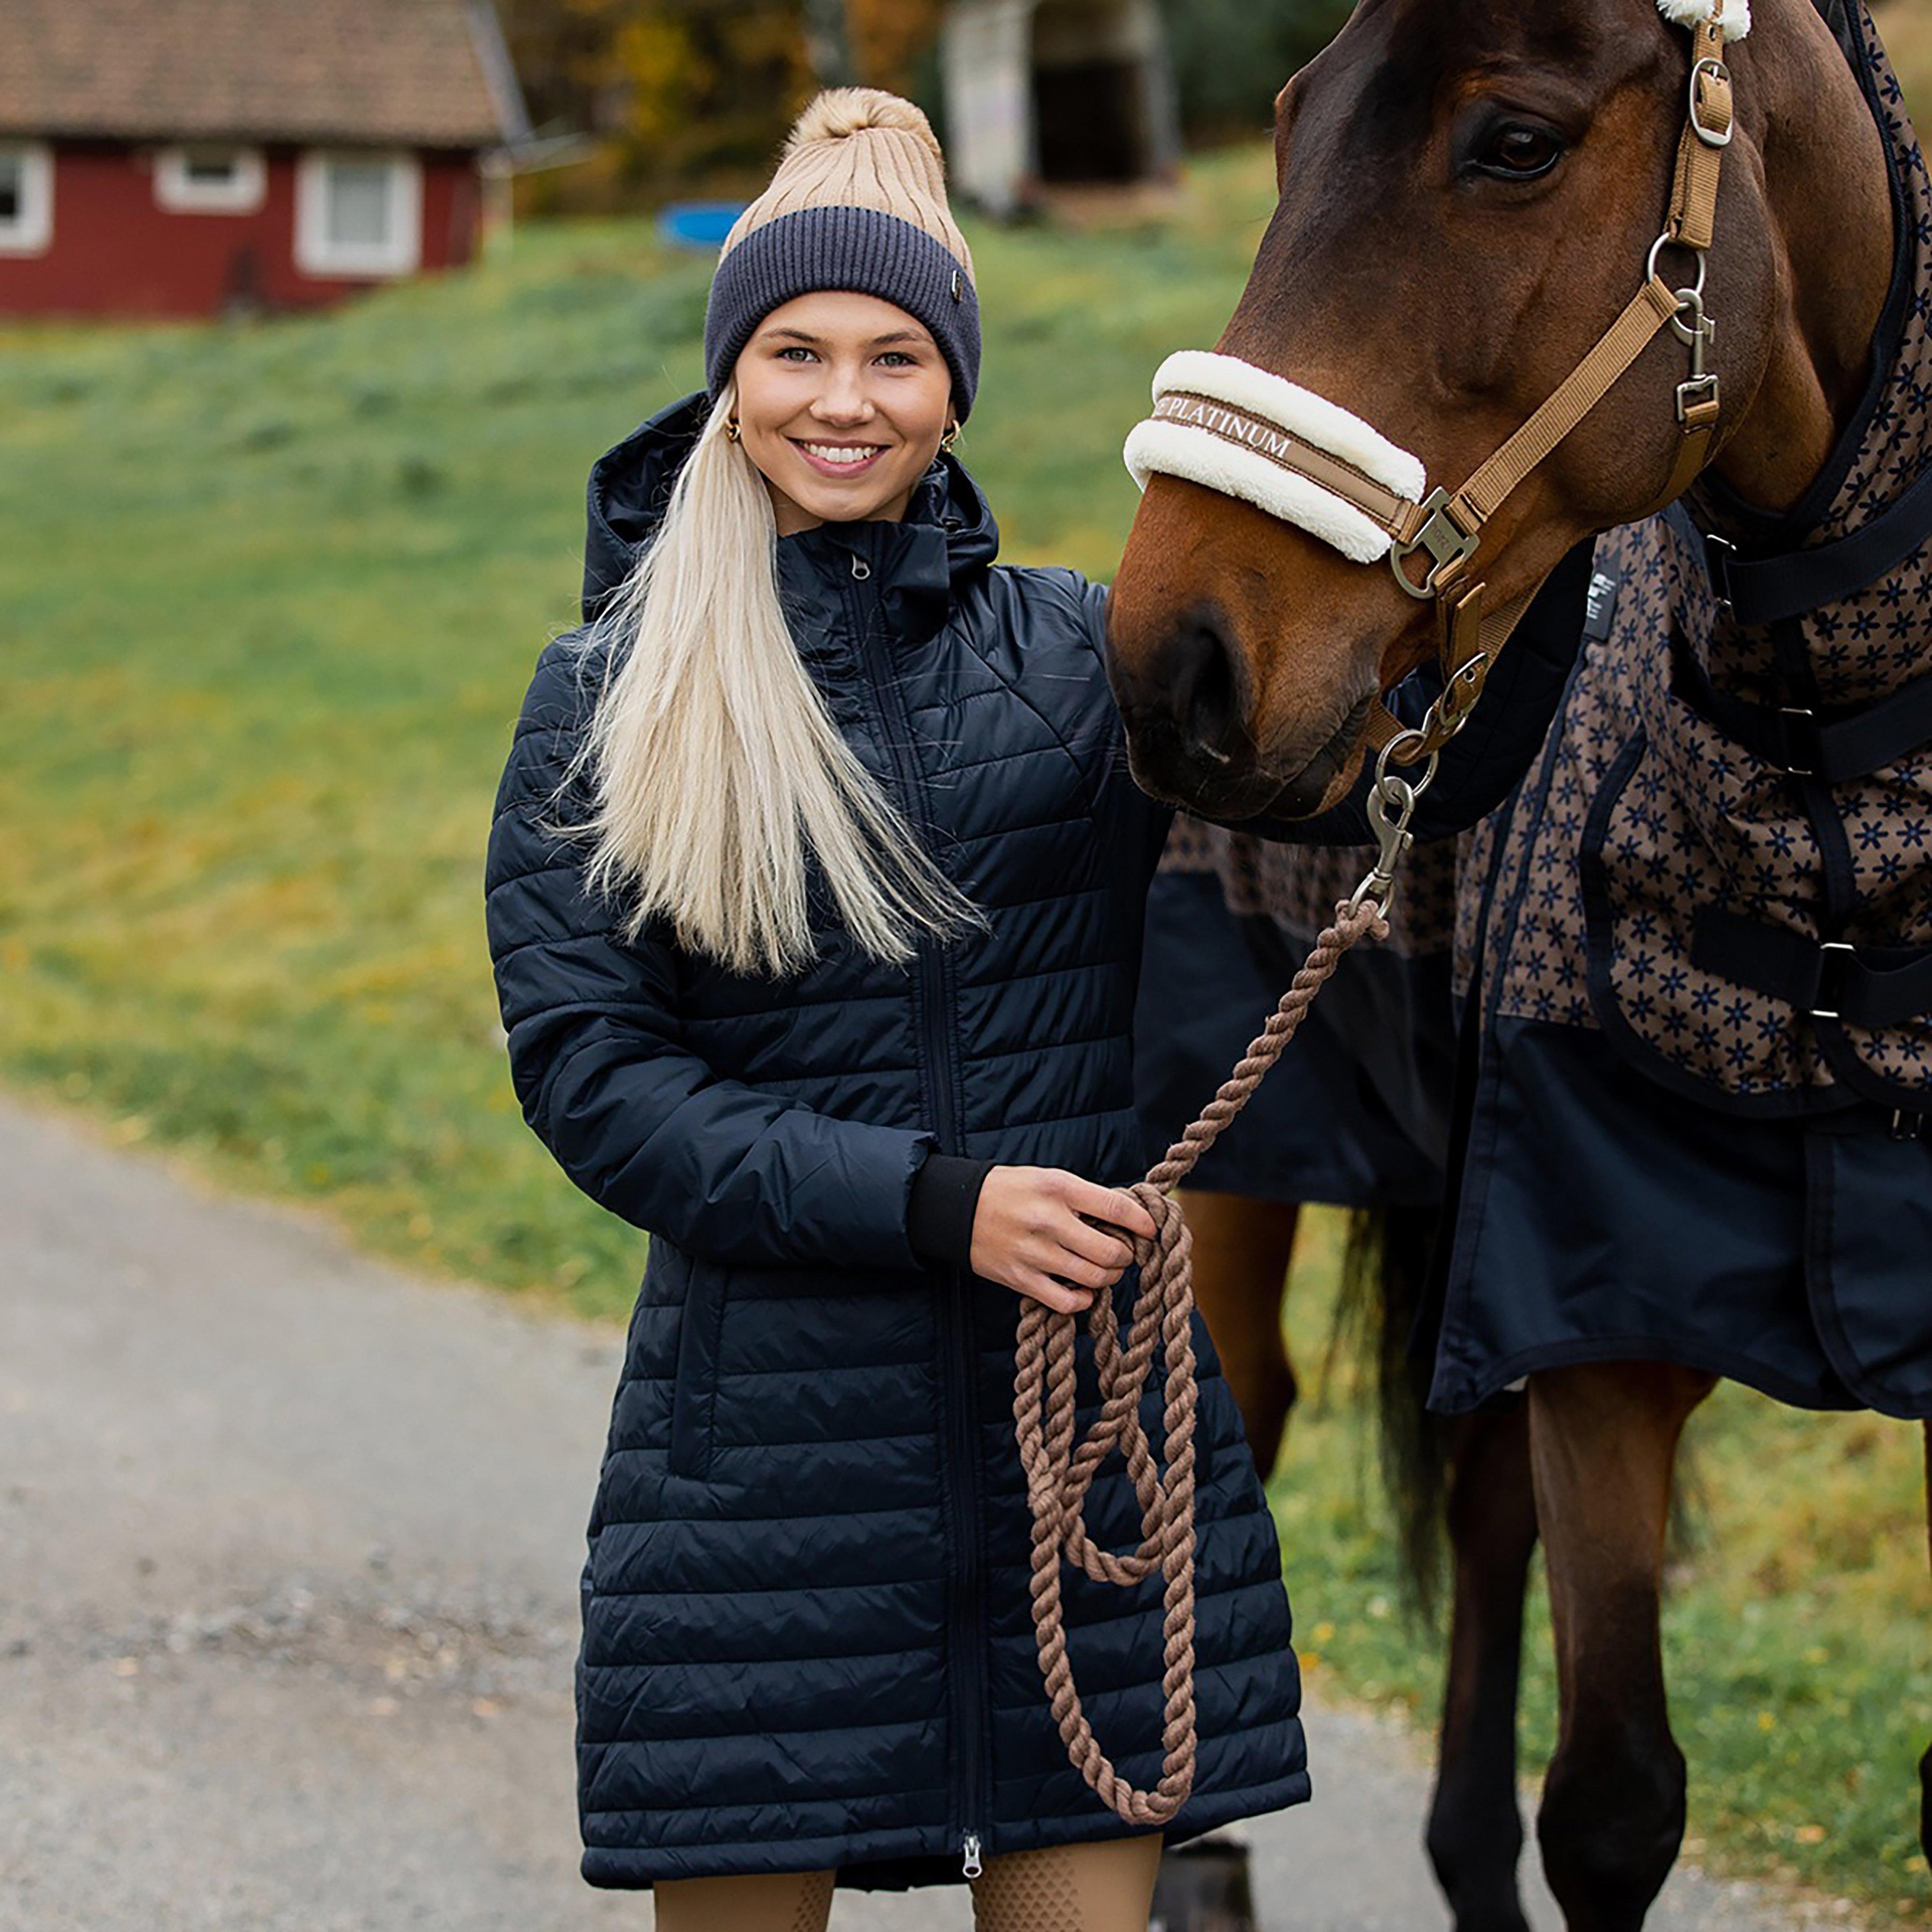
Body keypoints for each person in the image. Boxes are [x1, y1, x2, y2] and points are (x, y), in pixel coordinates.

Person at [483, 90, 1307, 1932]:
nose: (840, 399)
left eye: (895, 354)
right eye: (793, 351)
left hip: (1088, 1446)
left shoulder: (1081, 658)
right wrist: (943, 1205)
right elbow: (595, 1075)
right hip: (765, 1481)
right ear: (730, 375)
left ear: (956, 393)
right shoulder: (611, 695)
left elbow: (1302, 809)